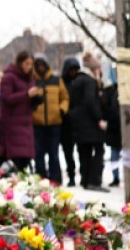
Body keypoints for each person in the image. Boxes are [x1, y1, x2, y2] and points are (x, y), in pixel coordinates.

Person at [69, 52, 108, 192]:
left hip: (79, 124)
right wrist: (99, 119)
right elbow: (91, 102)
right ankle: (94, 181)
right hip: (91, 123)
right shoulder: (90, 82)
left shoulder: (76, 81)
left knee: (84, 152)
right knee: (98, 150)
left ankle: (85, 180)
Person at [0, 51, 42, 173]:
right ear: (20, 63)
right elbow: (7, 98)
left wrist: (37, 98)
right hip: (13, 124)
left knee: (26, 161)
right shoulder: (9, 77)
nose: (29, 66)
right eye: (26, 63)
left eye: (31, 64)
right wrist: (27, 94)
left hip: (26, 125)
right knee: (15, 160)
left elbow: (29, 102)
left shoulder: (30, 78)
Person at [31, 53, 69, 184]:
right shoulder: (32, 82)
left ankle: (55, 178)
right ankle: (40, 179)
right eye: (38, 65)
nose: (41, 67)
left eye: (43, 64)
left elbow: (65, 97)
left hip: (54, 122)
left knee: (54, 152)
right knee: (38, 153)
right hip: (37, 123)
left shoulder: (56, 80)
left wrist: (61, 109)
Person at [60, 57, 80, 186]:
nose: (73, 73)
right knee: (68, 152)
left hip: (78, 122)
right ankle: (71, 175)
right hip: (65, 123)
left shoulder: (79, 82)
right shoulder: (62, 83)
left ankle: (81, 175)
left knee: (81, 151)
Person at [101, 69, 121, 187]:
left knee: (118, 154)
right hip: (115, 128)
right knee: (115, 154)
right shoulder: (111, 91)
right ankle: (116, 177)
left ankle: (117, 176)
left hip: (119, 127)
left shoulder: (111, 91)